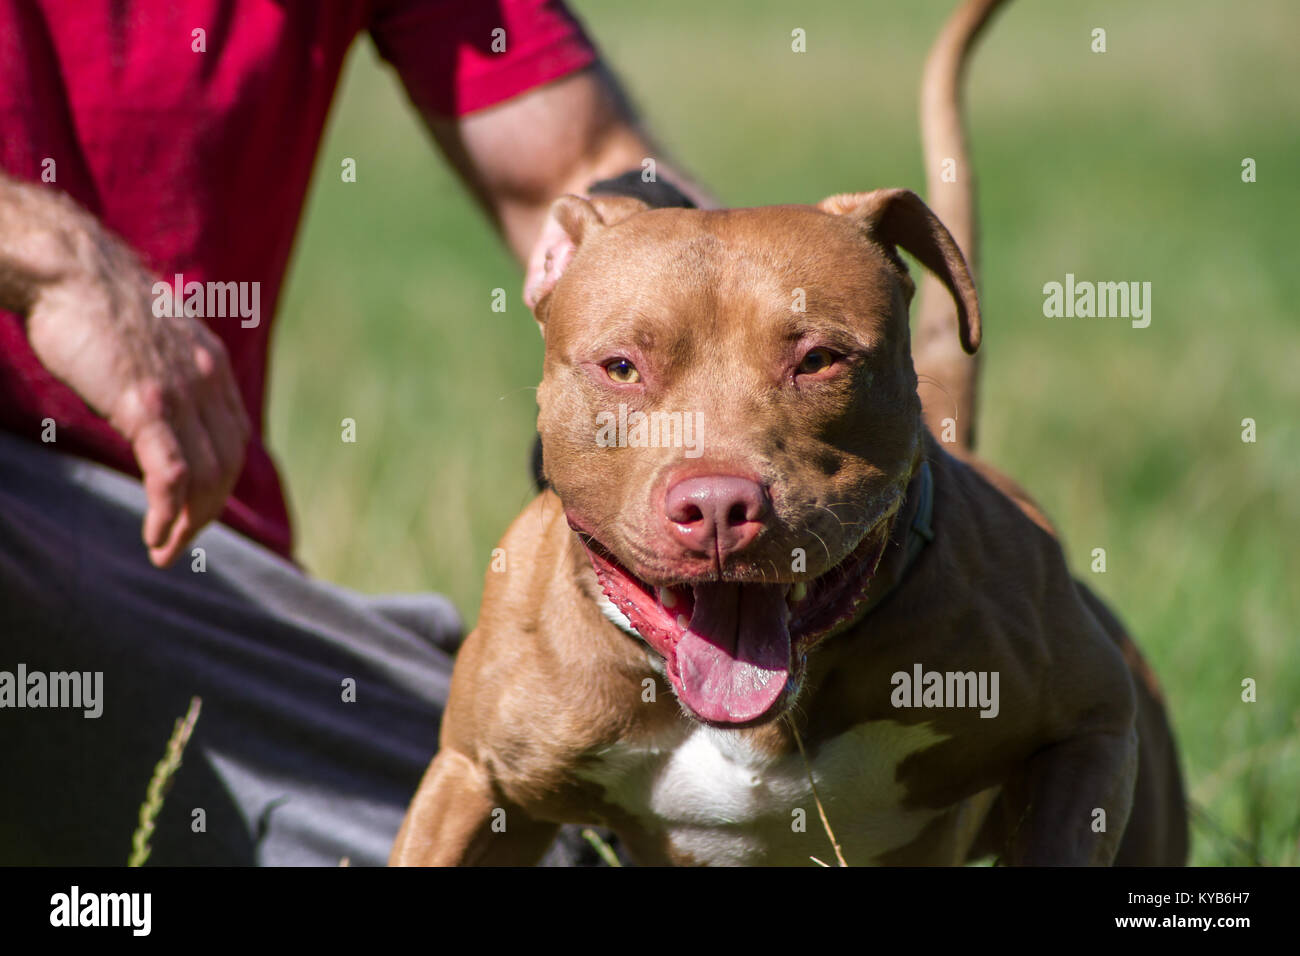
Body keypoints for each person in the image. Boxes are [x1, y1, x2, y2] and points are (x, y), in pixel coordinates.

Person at [0, 0, 708, 865]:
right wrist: (39, 253)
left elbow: (584, 162)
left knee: (532, 820)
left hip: (174, 566)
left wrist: (731, 413)